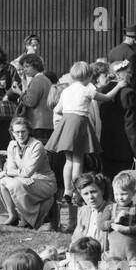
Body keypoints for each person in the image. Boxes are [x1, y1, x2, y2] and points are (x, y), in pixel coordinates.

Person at [48, 60, 120, 196]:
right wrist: (119, 86)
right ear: (88, 76)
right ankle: (76, 190)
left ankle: (67, 191)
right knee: (78, 160)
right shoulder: (88, 89)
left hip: (66, 124)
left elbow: (57, 110)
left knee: (68, 161)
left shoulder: (66, 90)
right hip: (79, 123)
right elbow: (107, 97)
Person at [0, 116, 58, 229]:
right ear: (12, 133)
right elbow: (12, 167)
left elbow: (27, 172)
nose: (20, 135)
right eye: (17, 132)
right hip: (26, 180)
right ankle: (12, 216)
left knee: (13, 183)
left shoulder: (36, 145)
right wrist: (19, 176)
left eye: (23, 131)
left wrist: (8, 173)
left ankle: (29, 220)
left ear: (29, 131)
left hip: (44, 182)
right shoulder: (12, 145)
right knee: (2, 181)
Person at [107, 171, 136, 264]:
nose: (120, 197)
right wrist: (115, 220)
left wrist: (126, 229)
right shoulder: (110, 208)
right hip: (114, 251)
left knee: (134, 266)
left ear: (133, 193)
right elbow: (101, 225)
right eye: (116, 194)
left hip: (131, 248)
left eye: (123, 194)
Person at [15, 54, 53, 143]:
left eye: (27, 66)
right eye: (24, 67)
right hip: (47, 123)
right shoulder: (46, 79)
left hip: (38, 123)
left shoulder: (37, 80)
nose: (25, 69)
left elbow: (30, 102)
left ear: (36, 66)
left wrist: (19, 92)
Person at [69, 173, 112, 250]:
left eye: (93, 192)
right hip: (83, 254)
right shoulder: (83, 210)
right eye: (86, 194)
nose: (90, 197)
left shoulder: (112, 210)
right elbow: (76, 238)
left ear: (102, 191)